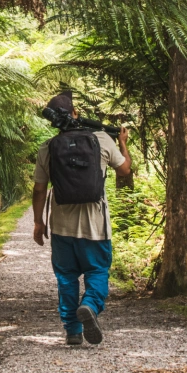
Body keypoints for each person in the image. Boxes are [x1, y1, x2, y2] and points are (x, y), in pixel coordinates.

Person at [32, 91, 132, 346]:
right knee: (97, 271)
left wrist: (38, 222)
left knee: (66, 278)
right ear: (76, 113)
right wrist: (122, 142)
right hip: (95, 228)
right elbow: (124, 170)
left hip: (62, 229)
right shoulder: (101, 140)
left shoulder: (48, 148)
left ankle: (73, 331)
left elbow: (39, 189)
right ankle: (89, 305)